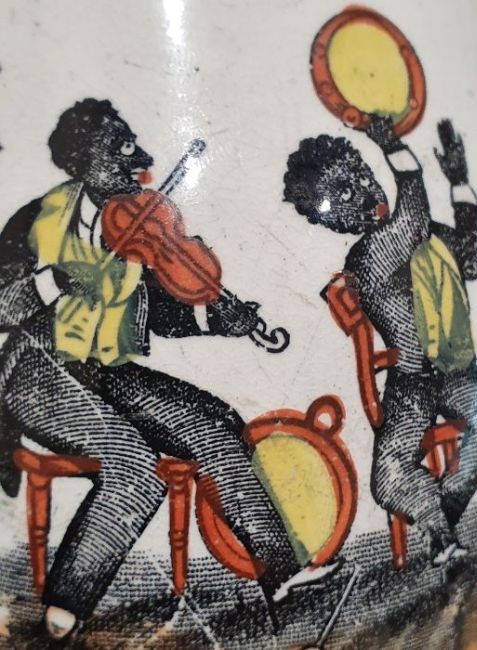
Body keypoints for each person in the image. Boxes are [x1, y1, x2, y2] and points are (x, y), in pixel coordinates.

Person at [0, 98, 305, 639]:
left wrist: (218, 317)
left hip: (104, 369)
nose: (138, 159)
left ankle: (282, 573)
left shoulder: (138, 224)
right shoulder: (40, 219)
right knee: (133, 463)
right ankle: (65, 609)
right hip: (38, 368)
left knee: (214, 426)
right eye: (119, 146)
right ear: (82, 159)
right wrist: (57, 280)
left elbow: (161, 312)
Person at [284, 115, 477, 564]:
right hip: (411, 385)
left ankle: (442, 523)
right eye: (342, 194)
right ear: (330, 217)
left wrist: (459, 182)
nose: (364, 192)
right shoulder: (368, 256)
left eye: (362, 176)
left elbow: (471, 261)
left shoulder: (424, 233)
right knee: (390, 475)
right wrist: (394, 147)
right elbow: (411, 220)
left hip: (456, 371)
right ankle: (442, 532)